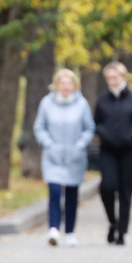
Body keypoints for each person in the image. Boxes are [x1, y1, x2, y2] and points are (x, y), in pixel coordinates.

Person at [33, 68, 95, 247]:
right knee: (54, 192)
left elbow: (89, 128)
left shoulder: (81, 104)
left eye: (69, 84)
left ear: (74, 85)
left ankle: (70, 232)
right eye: (63, 83)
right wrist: (48, 143)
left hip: (75, 156)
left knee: (71, 195)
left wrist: (80, 145)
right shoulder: (46, 103)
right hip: (53, 156)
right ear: (56, 85)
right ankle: (53, 229)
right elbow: (39, 126)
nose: (66, 87)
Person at [94, 62, 132, 245]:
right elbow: (97, 121)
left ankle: (122, 231)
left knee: (125, 190)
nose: (112, 81)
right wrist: (104, 133)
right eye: (109, 78)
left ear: (123, 78)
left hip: (129, 150)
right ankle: (113, 221)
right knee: (108, 187)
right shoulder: (103, 99)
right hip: (108, 150)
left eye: (115, 77)